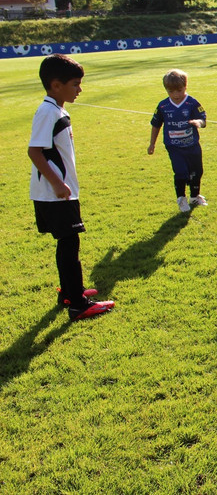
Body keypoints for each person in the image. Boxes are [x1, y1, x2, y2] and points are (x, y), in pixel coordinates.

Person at [28, 54, 114, 321]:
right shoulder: (47, 112)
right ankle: (78, 303)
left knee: (66, 243)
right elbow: (34, 152)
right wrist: (58, 184)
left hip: (59, 192)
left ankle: (68, 292)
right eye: (75, 84)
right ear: (56, 85)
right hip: (56, 195)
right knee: (69, 244)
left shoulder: (57, 109)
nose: (80, 89)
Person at [148, 69, 208, 213]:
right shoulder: (163, 106)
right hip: (174, 147)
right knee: (181, 172)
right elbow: (156, 124)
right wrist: (152, 144)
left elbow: (204, 120)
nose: (175, 95)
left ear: (185, 86)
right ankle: (181, 198)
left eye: (179, 91)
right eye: (171, 91)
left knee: (197, 171)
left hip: (192, 145)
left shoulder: (192, 103)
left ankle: (194, 196)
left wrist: (199, 123)